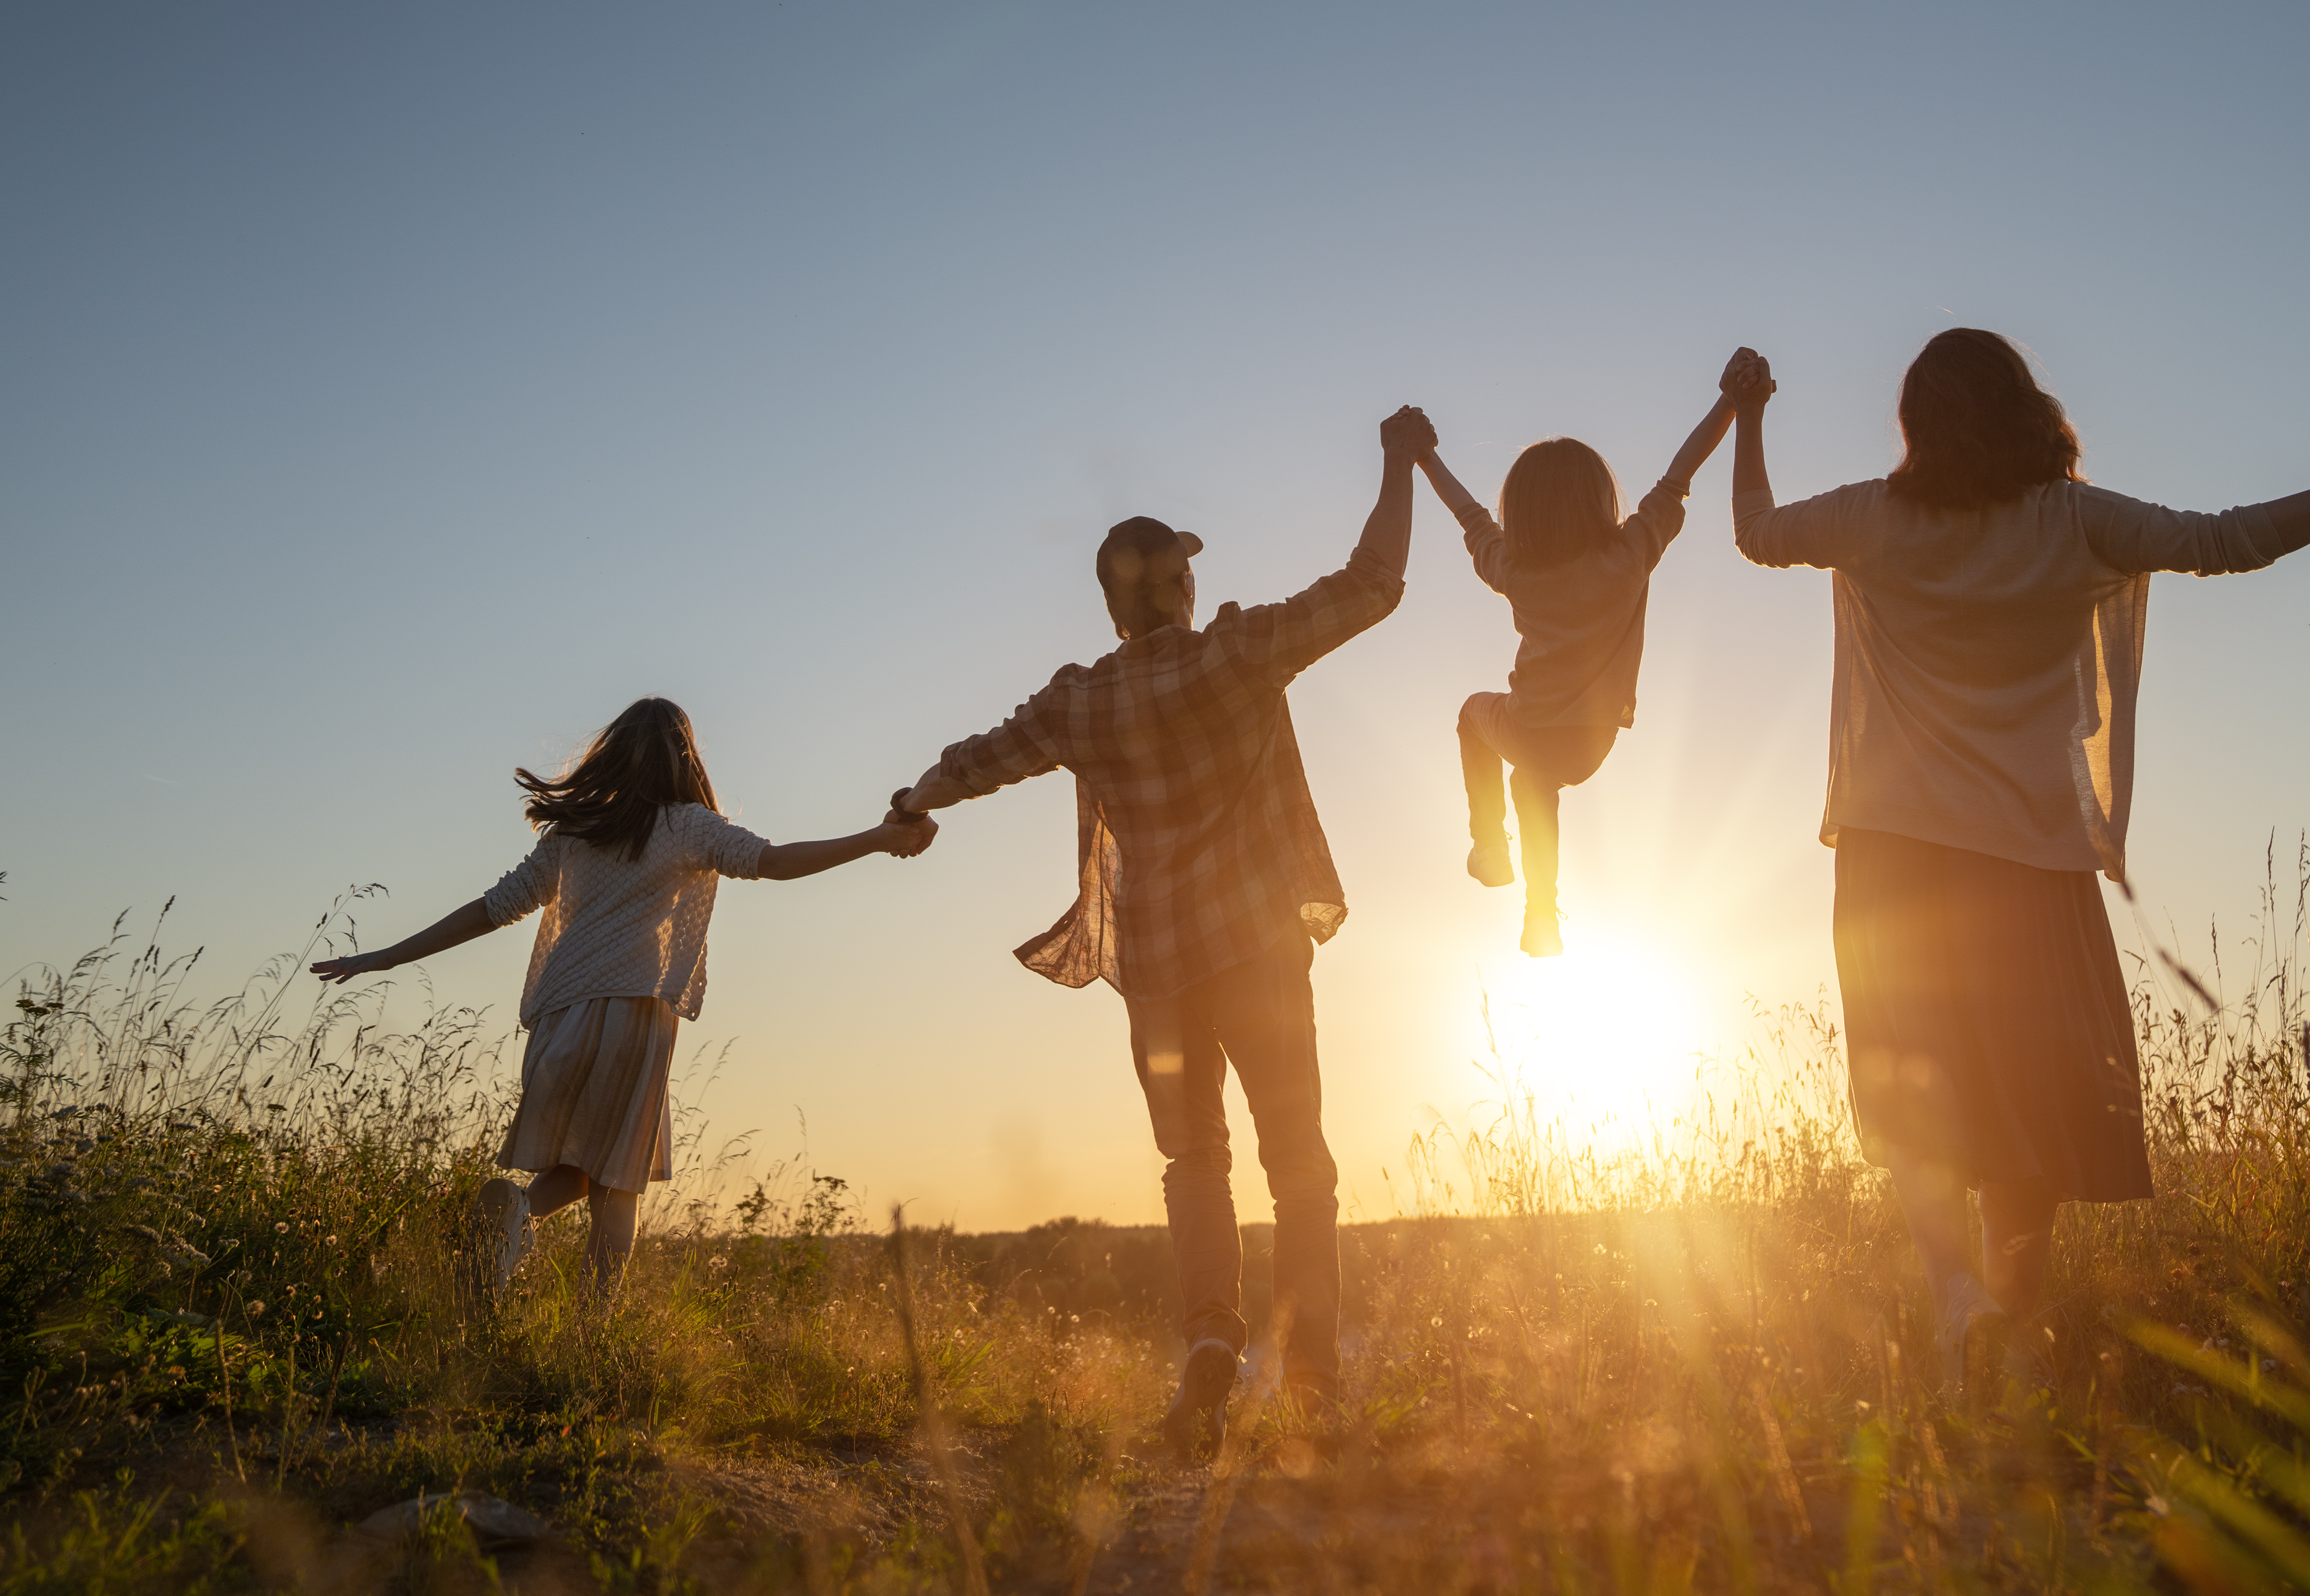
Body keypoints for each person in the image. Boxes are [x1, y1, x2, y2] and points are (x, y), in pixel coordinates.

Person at [1724, 331, 2310, 1383]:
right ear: (2029, 407)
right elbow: (2234, 540)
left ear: (1917, 425)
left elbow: (1754, 531)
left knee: (1919, 1095)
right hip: (2028, 862)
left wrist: (1749, 412)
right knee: (2030, 1098)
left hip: (1892, 859)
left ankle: (1958, 1304)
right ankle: (2009, 1324)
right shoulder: (2076, 523)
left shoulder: (1872, 519)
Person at [894, 405, 1435, 1453]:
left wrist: (913, 797)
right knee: (1301, 1165)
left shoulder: (1081, 700)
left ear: (1110, 609)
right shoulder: (1238, 652)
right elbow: (1374, 581)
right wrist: (1398, 461)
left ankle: (1209, 1347)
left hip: (1158, 973)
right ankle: (1315, 1380)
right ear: (1183, 588)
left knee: (1195, 1163)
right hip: (1260, 955)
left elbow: (979, 758)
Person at [310, 696, 933, 1308]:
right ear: (684, 759)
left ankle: (518, 1213)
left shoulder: (572, 833)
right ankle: (590, 1344)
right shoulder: (688, 825)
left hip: (558, 1017)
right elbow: (774, 862)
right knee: (618, 1186)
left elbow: (489, 910)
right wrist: (879, 839)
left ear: (610, 756)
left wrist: (384, 956)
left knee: (585, 1164)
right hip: (634, 1014)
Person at [1415, 390, 1737, 956]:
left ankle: (1488, 842)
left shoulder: (1512, 569)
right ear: (1600, 499)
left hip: (1527, 728)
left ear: (1519, 513)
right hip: (1591, 743)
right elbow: (1679, 474)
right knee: (1530, 781)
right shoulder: (1631, 552)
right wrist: (1730, 402)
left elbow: (1468, 514)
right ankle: (1540, 916)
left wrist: (1424, 458)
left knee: (1473, 715)